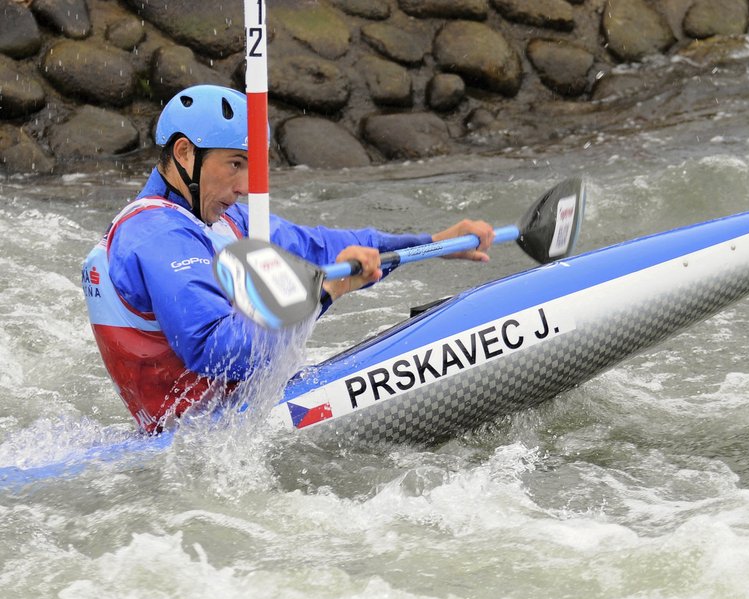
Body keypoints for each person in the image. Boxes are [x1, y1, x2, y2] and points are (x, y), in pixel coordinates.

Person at [82, 84, 494, 433]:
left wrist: (434, 242)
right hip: (203, 441)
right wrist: (326, 291)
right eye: (235, 164)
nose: (245, 186)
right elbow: (217, 351)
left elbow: (321, 247)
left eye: (252, 168)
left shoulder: (225, 219)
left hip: (239, 422)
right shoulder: (156, 235)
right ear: (186, 153)